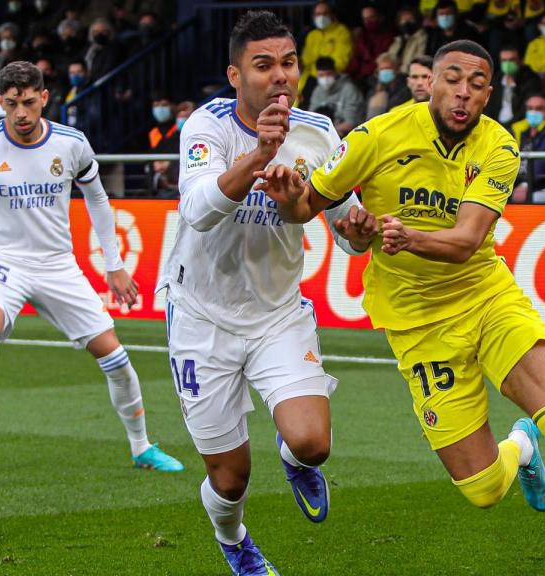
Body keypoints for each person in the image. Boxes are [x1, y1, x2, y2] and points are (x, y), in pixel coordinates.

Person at [255, 39, 545, 576]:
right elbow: (305, 210)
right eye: (452, 78)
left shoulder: (498, 147)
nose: (463, 93)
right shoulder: (377, 135)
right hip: (416, 323)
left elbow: (464, 241)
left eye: (477, 84)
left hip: (486, 299)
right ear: (430, 82)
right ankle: (522, 450)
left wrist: (399, 235)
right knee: (482, 489)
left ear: (489, 95)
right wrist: (292, 198)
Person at [162, 11, 374, 575]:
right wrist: (258, 156)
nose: (279, 77)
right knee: (230, 479)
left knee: (312, 443)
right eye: (263, 66)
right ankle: (233, 540)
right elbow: (198, 211)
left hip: (277, 313)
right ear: (235, 75)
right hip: (201, 317)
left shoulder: (319, 132)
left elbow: (347, 232)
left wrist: (358, 230)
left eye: (288, 64)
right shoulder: (206, 127)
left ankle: (292, 456)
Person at [0, 61, 184, 486]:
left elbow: (98, 201)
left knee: (115, 357)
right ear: (0, 103)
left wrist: (114, 266)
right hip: (2, 262)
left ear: (44, 98)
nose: (21, 113)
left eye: (29, 102)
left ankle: (142, 447)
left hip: (58, 264)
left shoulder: (71, 144)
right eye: (12, 104)